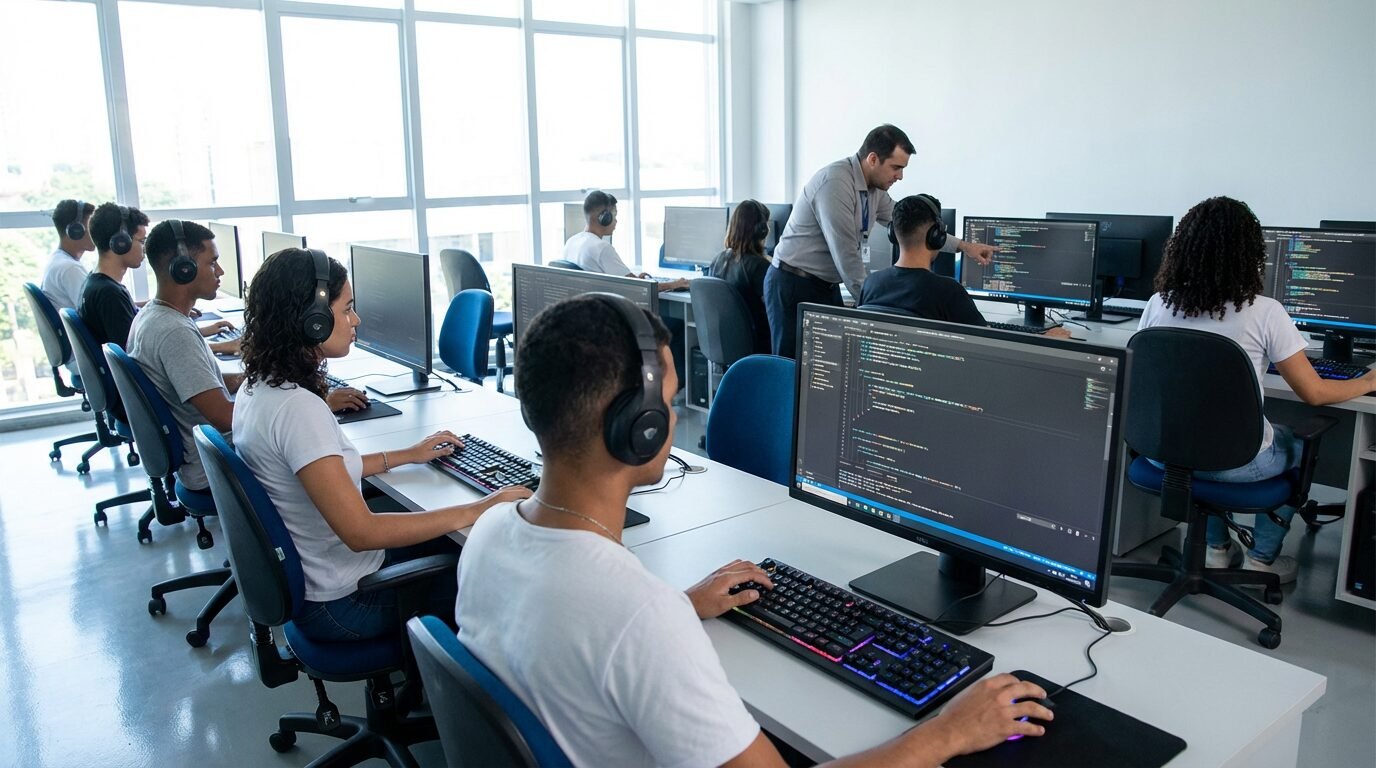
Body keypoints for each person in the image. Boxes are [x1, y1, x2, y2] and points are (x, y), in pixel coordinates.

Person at [455, 294, 1052, 767]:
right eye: (667, 399)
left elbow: (583, 635)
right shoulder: (634, 614)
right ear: (637, 428)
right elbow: (620, 624)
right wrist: (945, 734)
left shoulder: (488, 535)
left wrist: (679, 606)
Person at [233, 248, 531, 640]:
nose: (356, 320)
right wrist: (482, 507)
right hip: (347, 604)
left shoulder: (260, 387)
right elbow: (362, 533)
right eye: (347, 309)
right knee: (490, 564)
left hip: (322, 580)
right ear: (313, 321)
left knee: (449, 536)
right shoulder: (297, 409)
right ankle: (466, 689)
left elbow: (325, 470)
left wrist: (407, 455)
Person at [1140, 196, 1376, 583]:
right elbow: (1313, 394)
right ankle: (1262, 560)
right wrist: (1367, 380)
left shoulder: (1157, 304)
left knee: (1206, 437)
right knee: (1296, 446)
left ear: (1181, 248)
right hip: (1234, 467)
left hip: (1162, 457)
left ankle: (1216, 551)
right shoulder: (1265, 312)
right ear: (1250, 253)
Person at [765, 125, 996, 358]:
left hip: (826, 284)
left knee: (828, 366)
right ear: (873, 159)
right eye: (896, 167)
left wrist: (965, 247)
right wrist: (876, 307)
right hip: (793, 281)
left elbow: (912, 225)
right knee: (793, 368)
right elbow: (847, 258)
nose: (900, 176)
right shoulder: (835, 184)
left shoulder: (874, 190)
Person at [127, 220, 244, 495]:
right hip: (217, 464)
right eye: (212, 263)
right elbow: (225, 418)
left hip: (208, 454)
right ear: (183, 268)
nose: (220, 271)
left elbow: (203, 386)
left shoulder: (152, 315)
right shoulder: (174, 333)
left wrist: (251, 379)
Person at [859, 195, 1072, 338]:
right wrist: (1046, 340)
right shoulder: (948, 291)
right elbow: (990, 347)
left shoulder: (870, 284)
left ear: (893, 234)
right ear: (937, 236)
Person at [564, 190, 688, 293]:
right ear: (604, 218)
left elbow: (628, 281)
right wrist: (674, 284)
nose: (616, 221)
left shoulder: (571, 242)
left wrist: (635, 279)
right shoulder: (602, 248)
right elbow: (639, 288)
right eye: (614, 215)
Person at [78, 203, 150, 352]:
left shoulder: (95, 282)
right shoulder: (110, 294)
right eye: (142, 241)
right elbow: (137, 354)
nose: (145, 248)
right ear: (121, 242)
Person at [709, 200, 773, 354]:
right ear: (762, 231)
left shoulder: (718, 260)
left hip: (726, 343)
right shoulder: (759, 267)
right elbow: (774, 310)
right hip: (756, 345)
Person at [41, 199, 96, 312]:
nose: (96, 231)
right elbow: (98, 314)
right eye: (91, 225)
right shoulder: (70, 269)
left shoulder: (58, 260)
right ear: (76, 230)